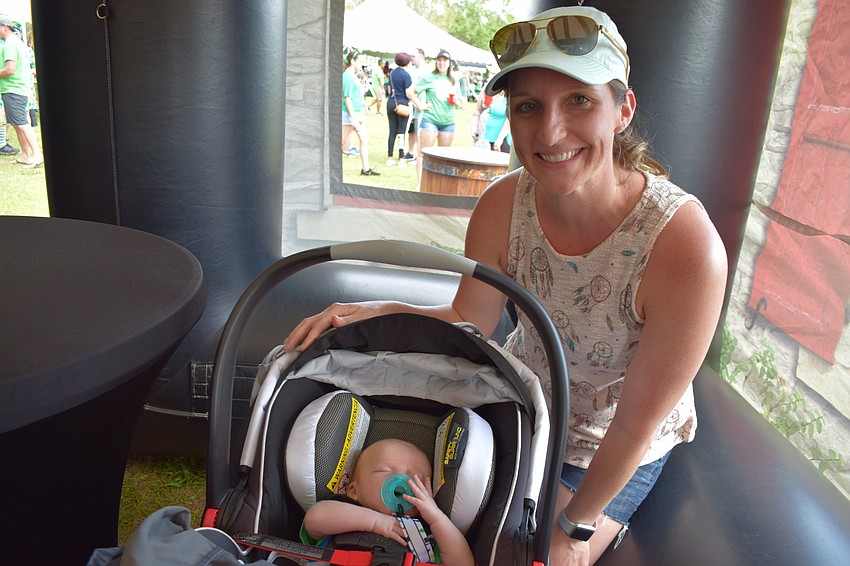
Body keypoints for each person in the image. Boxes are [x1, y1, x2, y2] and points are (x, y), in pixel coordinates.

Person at [286, 6, 727, 565]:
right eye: (528, 107)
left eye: (579, 101)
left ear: (623, 110)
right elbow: (469, 319)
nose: (550, 132)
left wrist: (575, 528)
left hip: (604, 448)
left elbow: (634, 425)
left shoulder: (683, 246)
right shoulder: (503, 205)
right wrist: (374, 312)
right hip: (520, 404)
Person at [302, 438, 474, 566]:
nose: (401, 480)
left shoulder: (427, 539)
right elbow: (314, 518)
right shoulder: (339, 518)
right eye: (384, 470)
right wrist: (375, 522)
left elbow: (463, 563)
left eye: (415, 478)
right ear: (354, 491)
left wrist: (436, 517)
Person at [413, 49, 460, 186]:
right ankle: (421, 185)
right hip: (430, 120)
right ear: (436, 62)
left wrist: (456, 102)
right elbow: (411, 92)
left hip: (448, 122)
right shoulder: (429, 77)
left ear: (449, 63)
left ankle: (437, 187)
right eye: (439, 60)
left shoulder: (452, 80)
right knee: (423, 153)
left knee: (443, 157)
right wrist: (420, 106)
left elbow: (460, 103)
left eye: (444, 61)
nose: (441, 63)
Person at [0, 17, 40, 166]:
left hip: (13, 89)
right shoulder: (18, 43)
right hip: (17, 88)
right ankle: (25, 155)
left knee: (22, 123)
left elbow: (10, 69)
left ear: (5, 27)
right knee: (17, 123)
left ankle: (37, 155)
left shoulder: (9, 44)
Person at [386, 52, 429, 168]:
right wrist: (418, 105)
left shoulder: (392, 73)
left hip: (391, 102)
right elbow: (409, 93)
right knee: (402, 132)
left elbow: (390, 88)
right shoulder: (406, 75)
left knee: (392, 131)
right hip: (403, 104)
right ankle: (401, 158)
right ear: (407, 62)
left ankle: (389, 157)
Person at [342, 50, 379, 176]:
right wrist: (354, 118)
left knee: (364, 140)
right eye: (360, 61)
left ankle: (366, 169)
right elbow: (347, 98)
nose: (362, 64)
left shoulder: (354, 75)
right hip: (348, 115)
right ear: (352, 61)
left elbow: (356, 94)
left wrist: (363, 103)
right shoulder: (347, 75)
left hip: (356, 113)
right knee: (342, 143)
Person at [404, 48, 427, 162]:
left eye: (414, 56)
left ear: (421, 56)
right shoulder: (410, 70)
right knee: (411, 129)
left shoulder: (427, 70)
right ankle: (410, 151)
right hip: (411, 103)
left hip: (421, 103)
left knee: (419, 130)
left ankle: (419, 154)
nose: (412, 58)